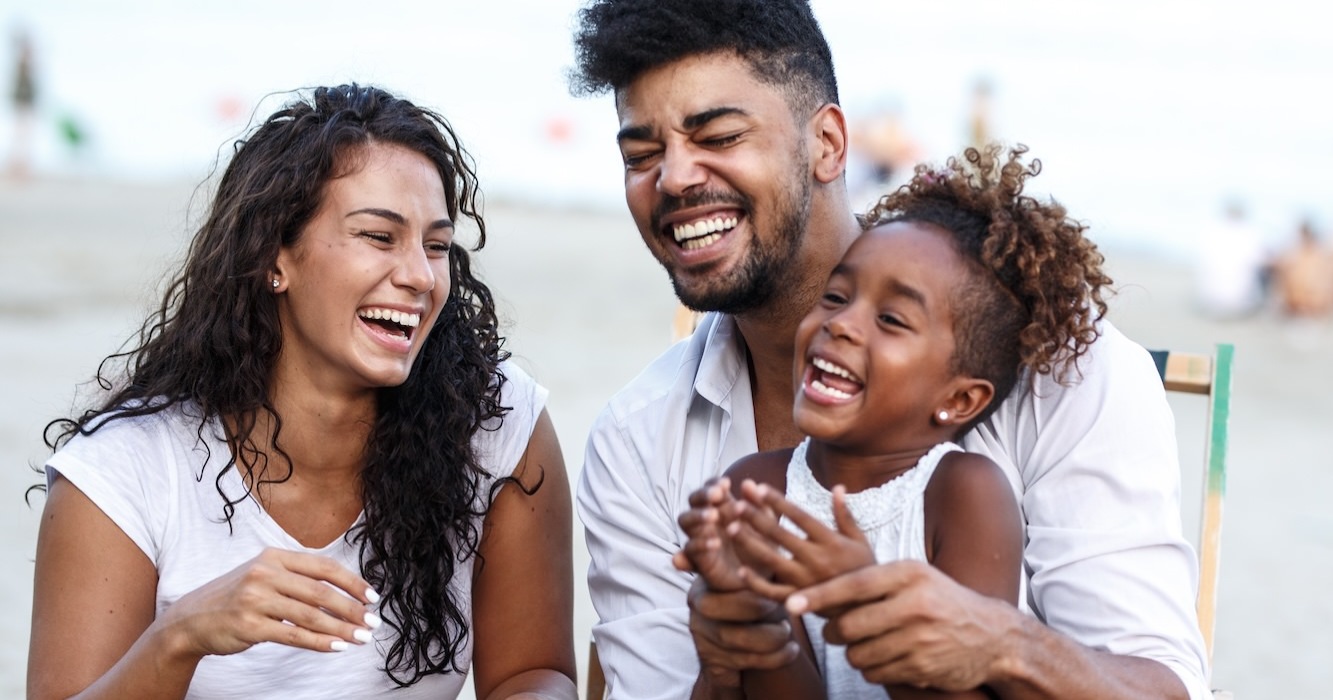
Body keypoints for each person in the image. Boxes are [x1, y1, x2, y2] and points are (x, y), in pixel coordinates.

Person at [569, 2, 1209, 699]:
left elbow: (1161, 686)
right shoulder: (638, 440)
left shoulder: (1054, 362)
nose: (672, 178)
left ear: (828, 144)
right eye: (640, 155)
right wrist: (734, 653)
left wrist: (996, 640)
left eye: (718, 135)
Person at [27, 84, 577, 699]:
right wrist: (181, 636)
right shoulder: (128, 468)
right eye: (378, 236)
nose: (420, 276)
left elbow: (536, 674)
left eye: (438, 246)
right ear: (275, 258)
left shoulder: (495, 424)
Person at [676, 145, 1107, 699]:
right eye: (836, 296)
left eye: (891, 319)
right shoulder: (754, 488)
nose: (842, 324)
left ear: (960, 399)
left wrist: (861, 602)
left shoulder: (963, 494)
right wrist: (754, 623)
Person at [8, 26, 37, 180]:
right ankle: (17, 170)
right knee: (20, 139)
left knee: (23, 139)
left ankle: (21, 170)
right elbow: (21, 90)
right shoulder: (22, 66)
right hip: (22, 106)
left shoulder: (26, 66)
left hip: (25, 106)